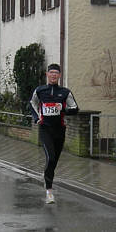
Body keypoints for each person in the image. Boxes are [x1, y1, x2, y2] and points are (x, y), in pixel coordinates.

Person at [30, 63, 78, 204]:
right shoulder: (40, 91)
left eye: (56, 73)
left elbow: (75, 108)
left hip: (60, 131)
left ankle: (47, 178)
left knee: (54, 162)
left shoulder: (65, 92)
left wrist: (63, 109)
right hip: (45, 130)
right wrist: (36, 118)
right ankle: (49, 192)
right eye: (51, 73)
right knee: (50, 158)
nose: (53, 75)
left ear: (59, 75)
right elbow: (32, 103)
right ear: (47, 74)